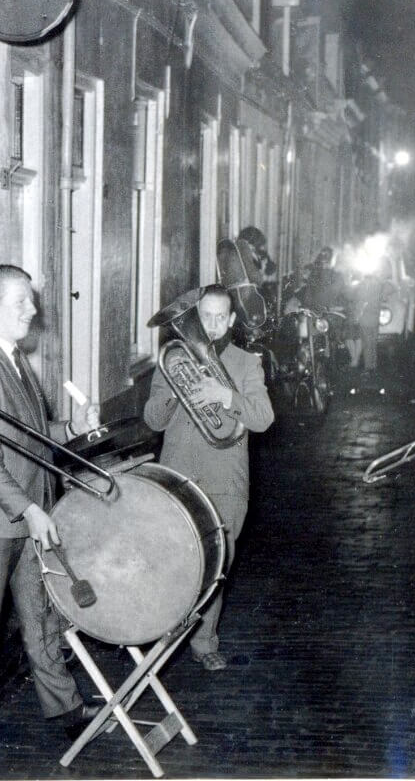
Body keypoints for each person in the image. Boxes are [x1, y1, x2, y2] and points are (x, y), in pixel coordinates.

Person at [0, 265, 101, 764]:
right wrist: (29, 508)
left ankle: (64, 708)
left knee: (40, 615)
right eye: (20, 302)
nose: (32, 310)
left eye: (30, 301)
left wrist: (71, 427)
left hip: (29, 514)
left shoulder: (13, 358)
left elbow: (28, 442)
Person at [143, 285, 274, 670]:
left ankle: (204, 642)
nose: (213, 326)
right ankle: (161, 635)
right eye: (206, 317)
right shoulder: (171, 360)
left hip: (226, 480)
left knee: (217, 566)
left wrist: (224, 395)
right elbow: (153, 419)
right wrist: (175, 393)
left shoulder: (248, 363)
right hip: (178, 476)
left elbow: (264, 419)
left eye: (221, 318)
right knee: (172, 561)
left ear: (232, 321)